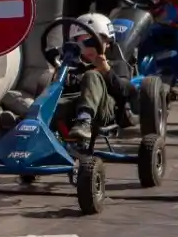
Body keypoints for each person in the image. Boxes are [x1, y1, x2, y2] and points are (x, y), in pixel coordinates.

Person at [54, 13, 136, 145]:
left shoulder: (116, 64)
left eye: (93, 41)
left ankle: (84, 120)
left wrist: (106, 71)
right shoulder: (72, 66)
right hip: (74, 105)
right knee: (51, 96)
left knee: (91, 75)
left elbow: (127, 91)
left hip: (104, 110)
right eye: (82, 42)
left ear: (108, 42)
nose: (88, 47)